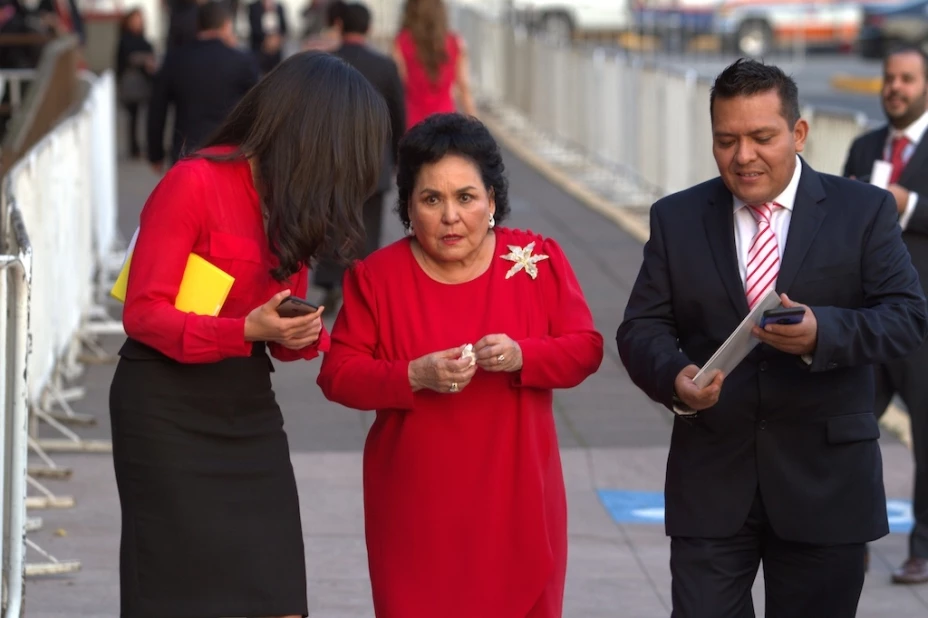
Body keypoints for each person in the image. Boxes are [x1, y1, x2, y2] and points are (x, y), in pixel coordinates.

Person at [616, 58, 928, 617]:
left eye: (762, 137)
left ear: (799, 133)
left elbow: (907, 317)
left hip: (825, 486)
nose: (743, 156)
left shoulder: (863, 211)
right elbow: (641, 326)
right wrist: (675, 376)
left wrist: (821, 334)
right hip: (711, 482)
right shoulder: (676, 218)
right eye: (726, 140)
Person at [110, 51, 389, 618]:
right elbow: (142, 313)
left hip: (246, 407)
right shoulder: (194, 181)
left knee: (279, 591)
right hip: (164, 409)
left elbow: (279, 325)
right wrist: (244, 329)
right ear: (312, 135)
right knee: (176, 594)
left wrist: (298, 334)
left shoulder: (290, 205)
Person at [317, 113, 603, 618]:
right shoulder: (376, 278)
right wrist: (412, 375)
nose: (450, 216)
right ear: (408, 206)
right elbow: (337, 374)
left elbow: (585, 348)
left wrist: (523, 355)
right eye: (431, 199)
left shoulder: (535, 261)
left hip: (516, 506)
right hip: (415, 514)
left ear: (492, 201)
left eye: (465, 197)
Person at [843, 45, 928, 585]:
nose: (895, 87)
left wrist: (908, 202)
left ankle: (922, 548)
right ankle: (852, 538)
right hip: (868, 321)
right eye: (889, 78)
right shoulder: (863, 146)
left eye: (907, 79)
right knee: (848, 429)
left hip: (923, 325)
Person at [312, 1, 406, 314]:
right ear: (368, 28)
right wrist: (396, 157)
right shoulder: (385, 66)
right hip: (373, 161)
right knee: (368, 224)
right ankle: (364, 285)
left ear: (339, 25)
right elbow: (397, 114)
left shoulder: (325, 63)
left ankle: (331, 281)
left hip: (332, 159)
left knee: (331, 221)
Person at [147, 0, 259, 171]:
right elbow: (258, 108)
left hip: (185, 155)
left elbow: (157, 109)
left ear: (198, 25)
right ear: (227, 25)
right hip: (228, 155)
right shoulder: (241, 61)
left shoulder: (174, 60)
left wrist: (155, 154)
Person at [393, 0, 476, 130]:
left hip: (412, 124)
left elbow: (397, 86)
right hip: (446, 124)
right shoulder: (455, 43)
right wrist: (475, 128)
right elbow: (464, 88)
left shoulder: (401, 42)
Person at [115, 8, 155, 159]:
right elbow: (123, 60)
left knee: (144, 116)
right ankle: (134, 147)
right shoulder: (125, 40)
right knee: (133, 117)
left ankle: (142, 145)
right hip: (132, 84)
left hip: (144, 82)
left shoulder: (144, 40)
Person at [248, 0, 288, 74]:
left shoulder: (279, 7)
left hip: (276, 49)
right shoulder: (253, 7)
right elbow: (254, 27)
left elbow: (284, 27)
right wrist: (267, 40)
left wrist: (277, 40)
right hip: (260, 48)